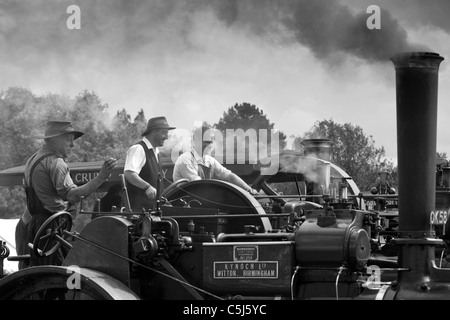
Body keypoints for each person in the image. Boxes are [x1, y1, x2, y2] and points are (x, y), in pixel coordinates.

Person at [17, 120, 117, 268]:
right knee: (60, 274)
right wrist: (101, 176)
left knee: (39, 271)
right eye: (69, 140)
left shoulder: (32, 160)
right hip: (53, 229)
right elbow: (73, 196)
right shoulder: (56, 163)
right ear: (56, 140)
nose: (72, 145)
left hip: (36, 227)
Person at [172, 124, 258, 195]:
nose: (210, 145)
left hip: (200, 199)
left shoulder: (209, 160)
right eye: (206, 141)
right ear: (196, 141)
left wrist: (248, 190)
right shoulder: (186, 160)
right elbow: (198, 185)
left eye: (211, 142)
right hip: (185, 204)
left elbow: (228, 175)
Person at [124, 116, 175, 212]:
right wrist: (147, 186)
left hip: (152, 212)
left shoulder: (156, 152)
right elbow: (129, 173)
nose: (167, 137)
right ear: (154, 131)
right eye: (164, 133)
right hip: (138, 213)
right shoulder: (138, 148)